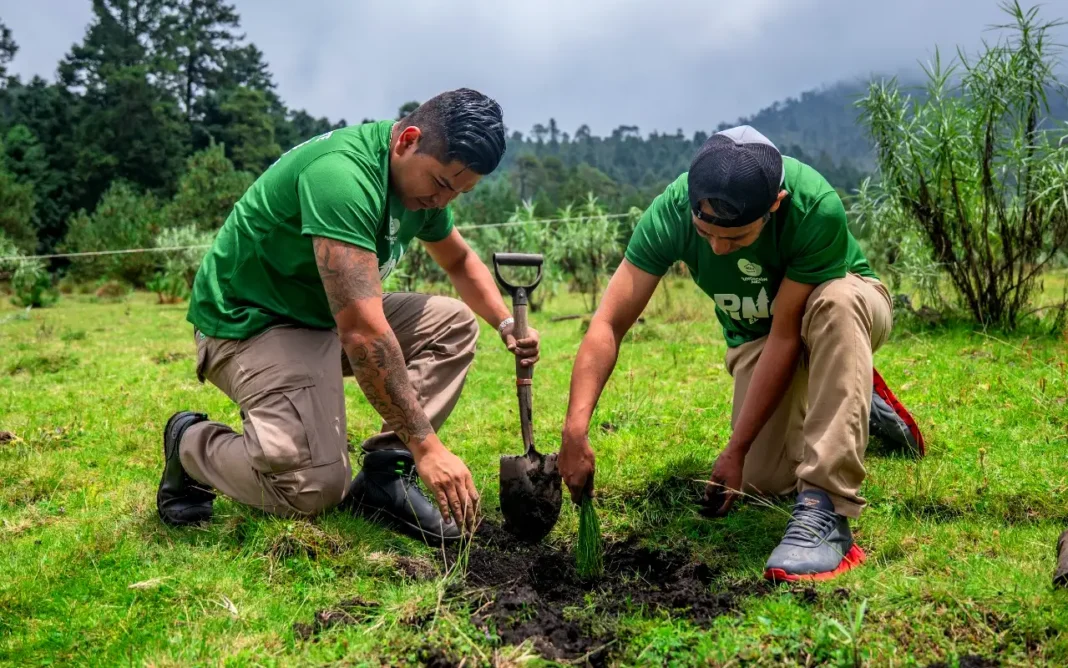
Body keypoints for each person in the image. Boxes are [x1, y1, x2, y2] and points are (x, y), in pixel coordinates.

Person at [156, 88, 540, 547]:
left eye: (460, 191)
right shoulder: (342, 178)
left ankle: (385, 477)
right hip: (252, 322)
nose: (444, 201)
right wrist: (428, 447)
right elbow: (362, 334)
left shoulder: (422, 191)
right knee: (311, 490)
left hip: (322, 317)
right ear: (408, 140)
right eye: (441, 184)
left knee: (452, 324)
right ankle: (191, 444)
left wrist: (505, 324)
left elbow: (457, 261)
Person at [557, 125, 921, 582]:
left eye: (736, 238)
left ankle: (826, 509)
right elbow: (608, 323)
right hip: (759, 339)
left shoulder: (814, 206)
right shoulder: (671, 210)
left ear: (775, 205)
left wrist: (736, 446)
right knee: (760, 482)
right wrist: (574, 430)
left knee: (835, 303)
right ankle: (850, 395)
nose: (717, 248)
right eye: (705, 233)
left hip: (844, 312)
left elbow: (788, 335)